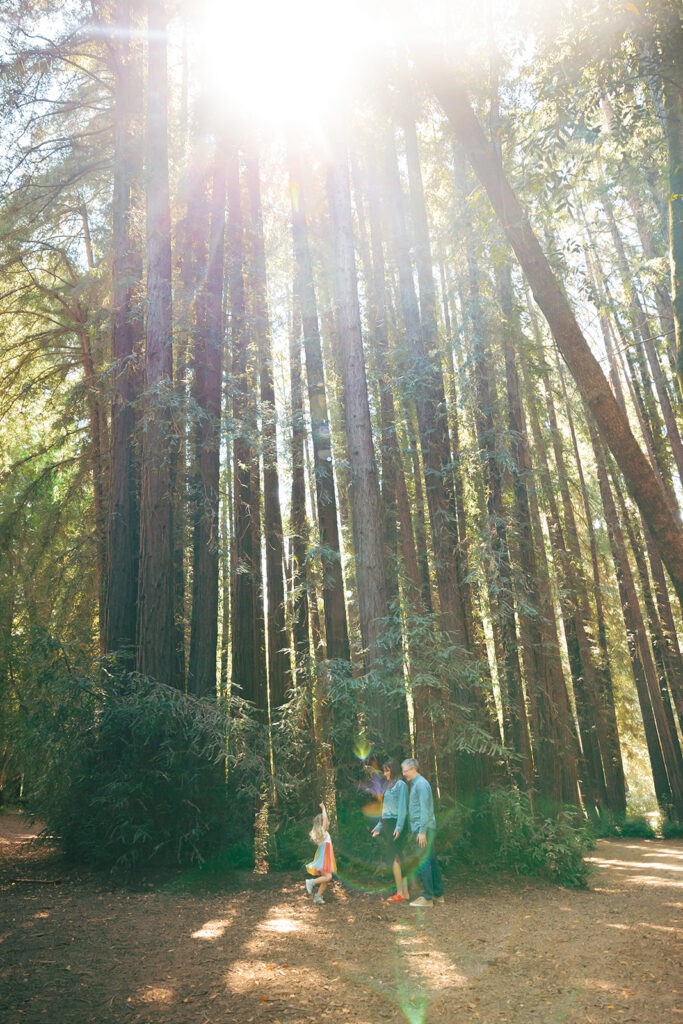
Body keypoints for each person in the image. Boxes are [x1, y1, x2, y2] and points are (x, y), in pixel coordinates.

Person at [401, 757, 444, 907]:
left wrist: (422, 832)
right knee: (431, 860)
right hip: (423, 828)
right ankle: (438, 895)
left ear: (413, 769)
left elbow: (425, 810)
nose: (404, 774)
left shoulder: (421, 784)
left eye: (405, 771)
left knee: (424, 862)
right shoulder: (417, 784)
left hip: (423, 829)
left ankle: (427, 898)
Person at [371, 759, 409, 902]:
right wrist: (378, 828)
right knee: (398, 857)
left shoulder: (401, 785)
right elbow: (385, 811)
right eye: (384, 770)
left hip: (396, 825)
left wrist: (399, 828)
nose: (385, 773)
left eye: (387, 770)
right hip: (388, 824)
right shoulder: (388, 786)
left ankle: (400, 893)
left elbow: (402, 808)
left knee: (395, 858)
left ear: (393, 770)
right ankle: (404, 893)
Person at [305, 802, 336, 905]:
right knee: (328, 877)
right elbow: (326, 820)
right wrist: (323, 808)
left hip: (324, 853)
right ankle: (311, 882)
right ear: (322, 822)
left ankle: (318, 896)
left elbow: (325, 821)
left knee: (326, 878)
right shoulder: (323, 830)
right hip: (325, 854)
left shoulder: (320, 833)